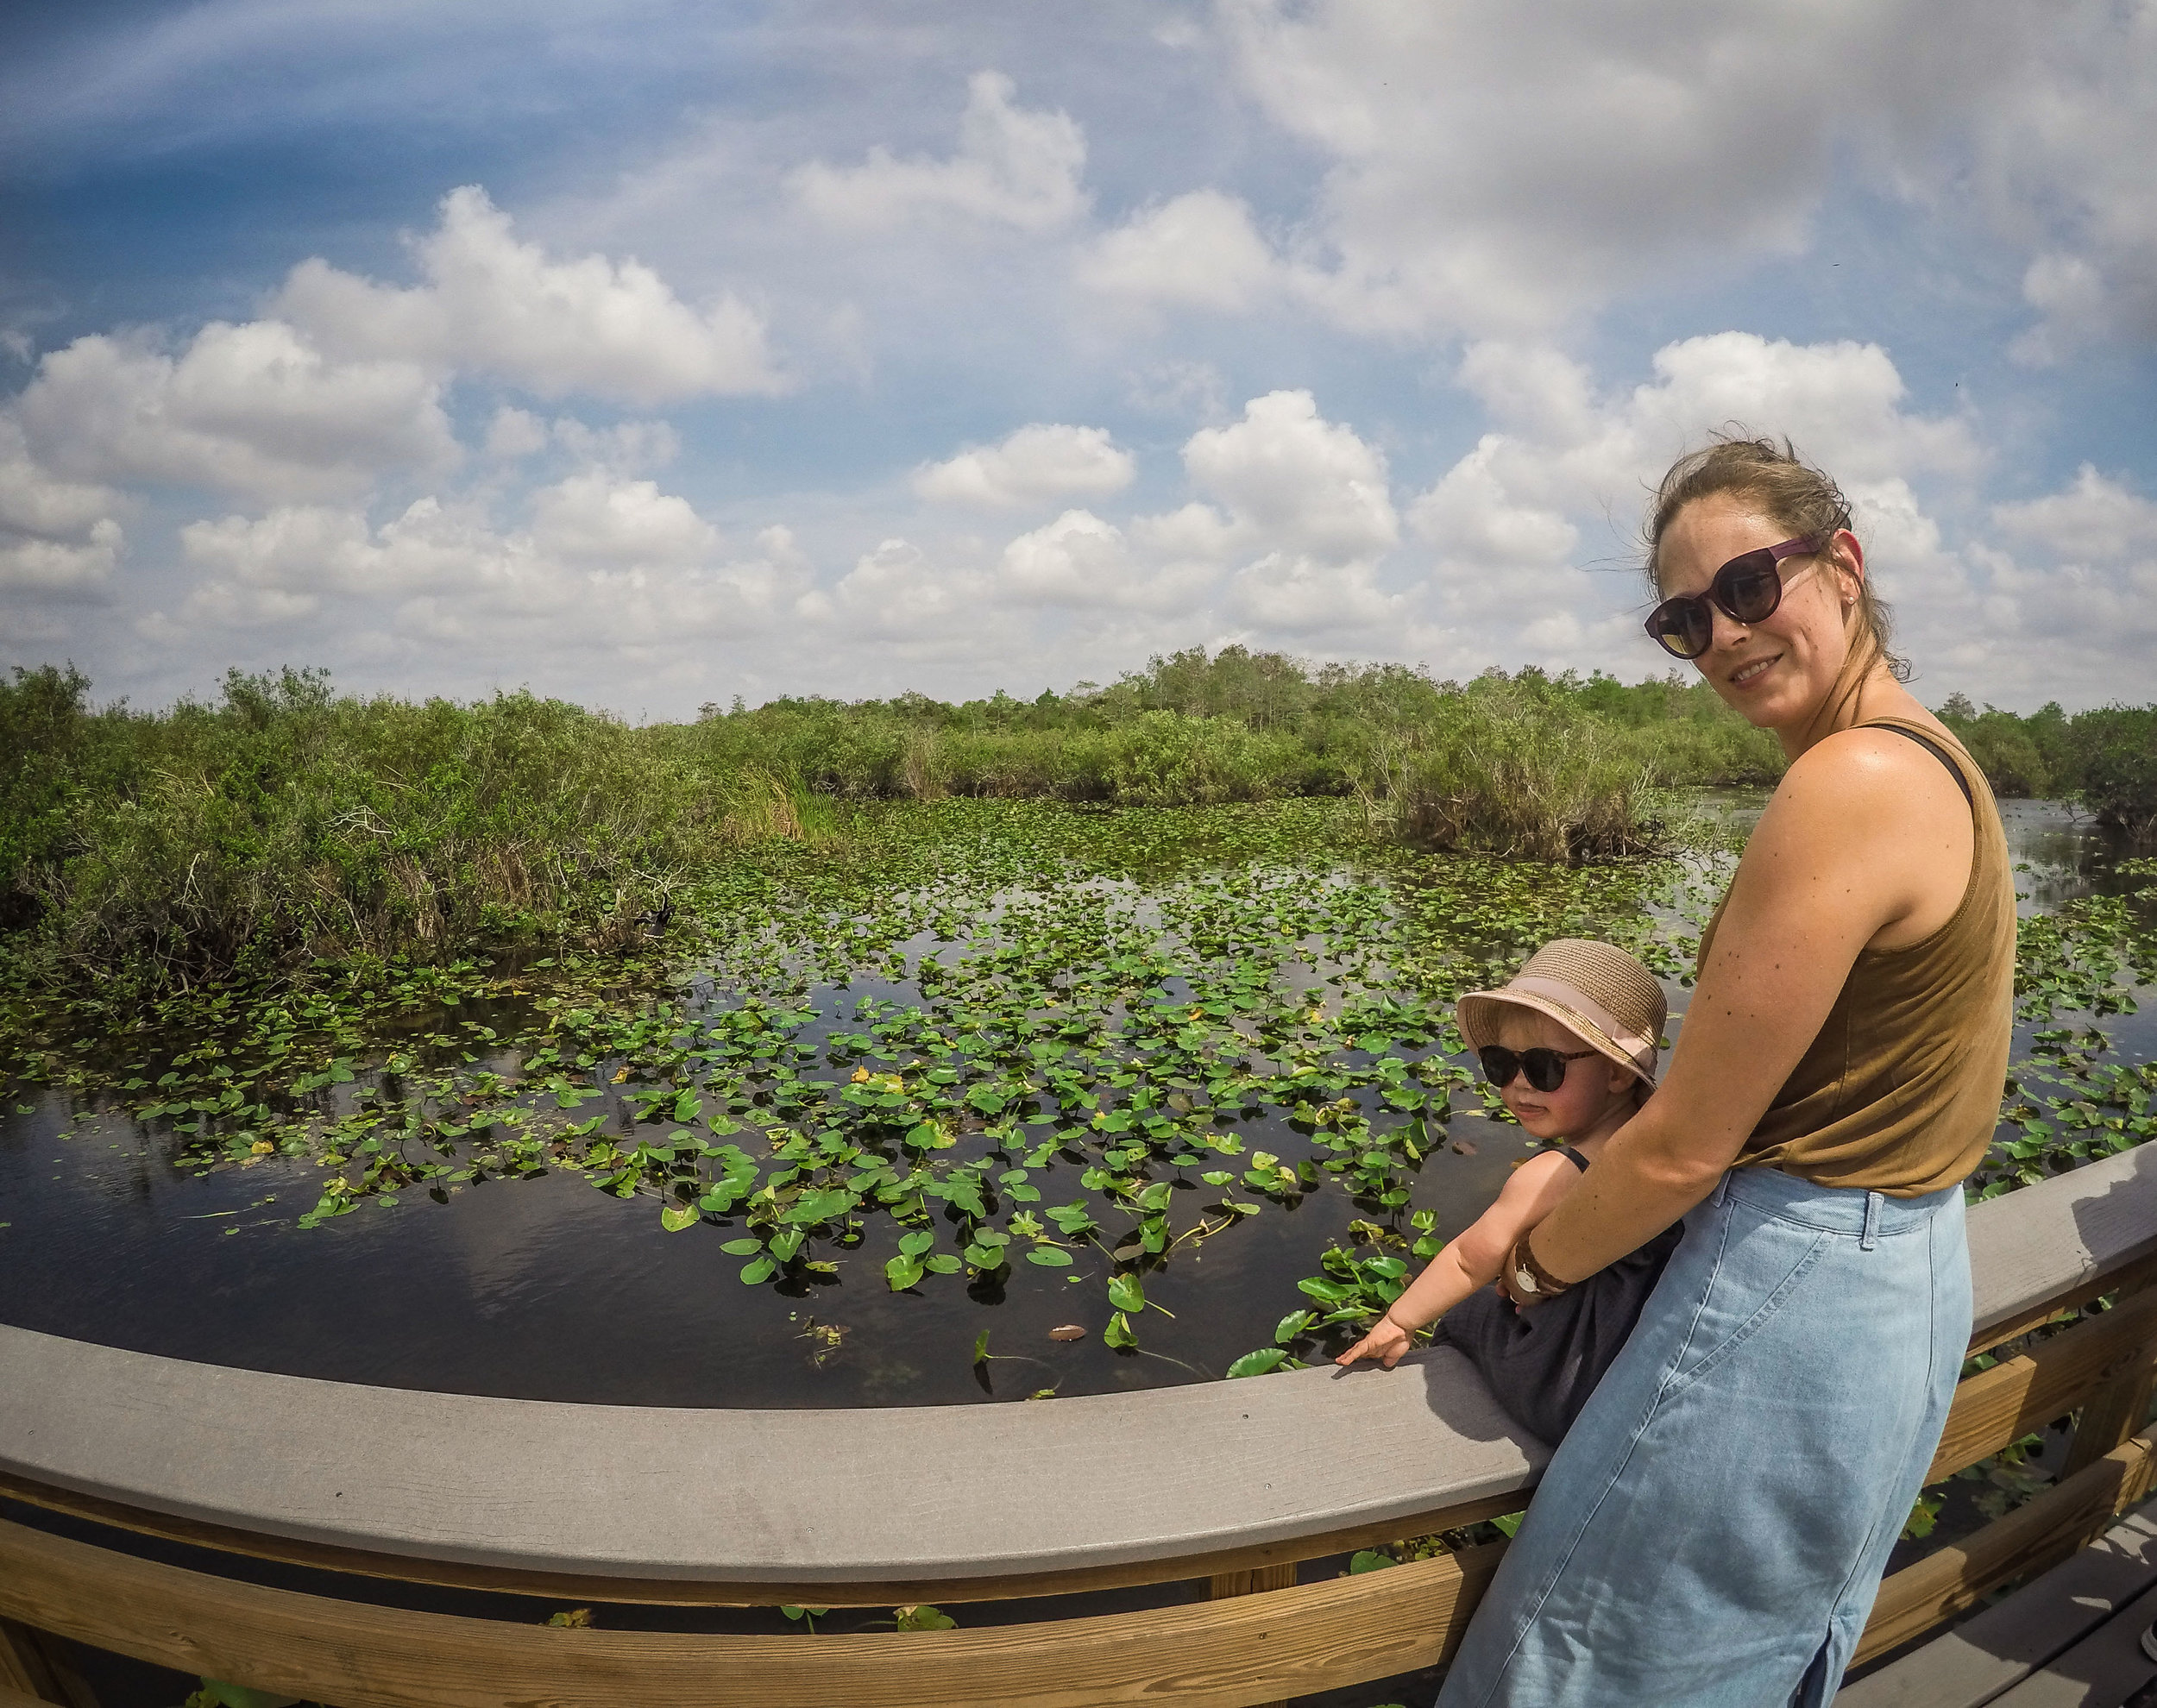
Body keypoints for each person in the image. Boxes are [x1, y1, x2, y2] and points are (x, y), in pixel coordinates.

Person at [1433, 436, 2016, 1708]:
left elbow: (1687, 1143)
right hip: (1906, 1268)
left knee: (1582, 1668)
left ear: (1842, 564)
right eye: (1684, 618)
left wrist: (1528, 1267)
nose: (1724, 635)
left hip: (1793, 1287)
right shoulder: (1938, 760)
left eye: (1751, 587)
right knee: (1748, 1658)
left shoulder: (1848, 779)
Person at [1336, 939, 1682, 1449]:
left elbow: (1467, 1261)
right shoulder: (1671, 1149)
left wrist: (1397, 1319)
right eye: (1500, 1064)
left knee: (1467, 1318)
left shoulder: (1552, 1173)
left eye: (1545, 1067)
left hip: (1567, 1388)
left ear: (1614, 1072)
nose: (1519, 1087)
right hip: (1650, 1371)